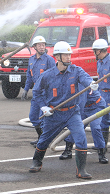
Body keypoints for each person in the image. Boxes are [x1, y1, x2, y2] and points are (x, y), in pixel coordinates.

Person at [29, 41, 99, 179]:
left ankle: (81, 170)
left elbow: (85, 78)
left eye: (69, 54)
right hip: (54, 114)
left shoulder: (76, 70)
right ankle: (37, 161)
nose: (69, 57)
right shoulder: (47, 75)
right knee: (44, 140)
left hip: (72, 112)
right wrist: (44, 107)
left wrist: (91, 84)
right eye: (65, 55)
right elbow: (36, 92)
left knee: (81, 138)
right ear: (57, 57)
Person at [21, 35, 56, 147]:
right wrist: (26, 90)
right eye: (39, 45)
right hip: (36, 92)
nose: (42, 47)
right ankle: (41, 138)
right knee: (33, 116)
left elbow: (54, 76)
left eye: (43, 45)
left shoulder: (49, 60)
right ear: (34, 47)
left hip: (46, 92)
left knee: (43, 117)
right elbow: (29, 75)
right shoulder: (31, 59)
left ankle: (44, 141)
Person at [60, 85, 108, 164]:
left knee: (95, 127)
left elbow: (82, 101)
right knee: (75, 127)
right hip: (84, 107)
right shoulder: (68, 82)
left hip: (95, 106)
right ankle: (68, 150)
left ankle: (101, 153)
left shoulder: (81, 84)